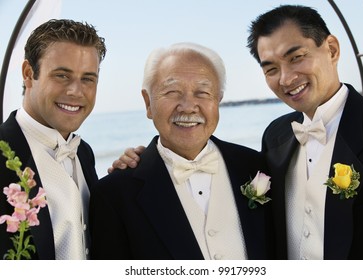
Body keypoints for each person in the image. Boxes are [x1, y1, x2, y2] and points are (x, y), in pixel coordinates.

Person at [89, 42, 272, 260]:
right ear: (148, 103)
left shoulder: (258, 167)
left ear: (218, 101)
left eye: (202, 92)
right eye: (172, 92)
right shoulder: (114, 194)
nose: (188, 106)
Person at [246, 5, 363, 259]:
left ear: (332, 49)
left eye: (296, 57)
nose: (286, 78)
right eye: (271, 69)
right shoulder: (275, 134)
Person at [0, 19, 107, 259]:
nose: (76, 91)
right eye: (62, 75)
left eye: (88, 78)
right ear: (29, 74)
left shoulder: (84, 153)